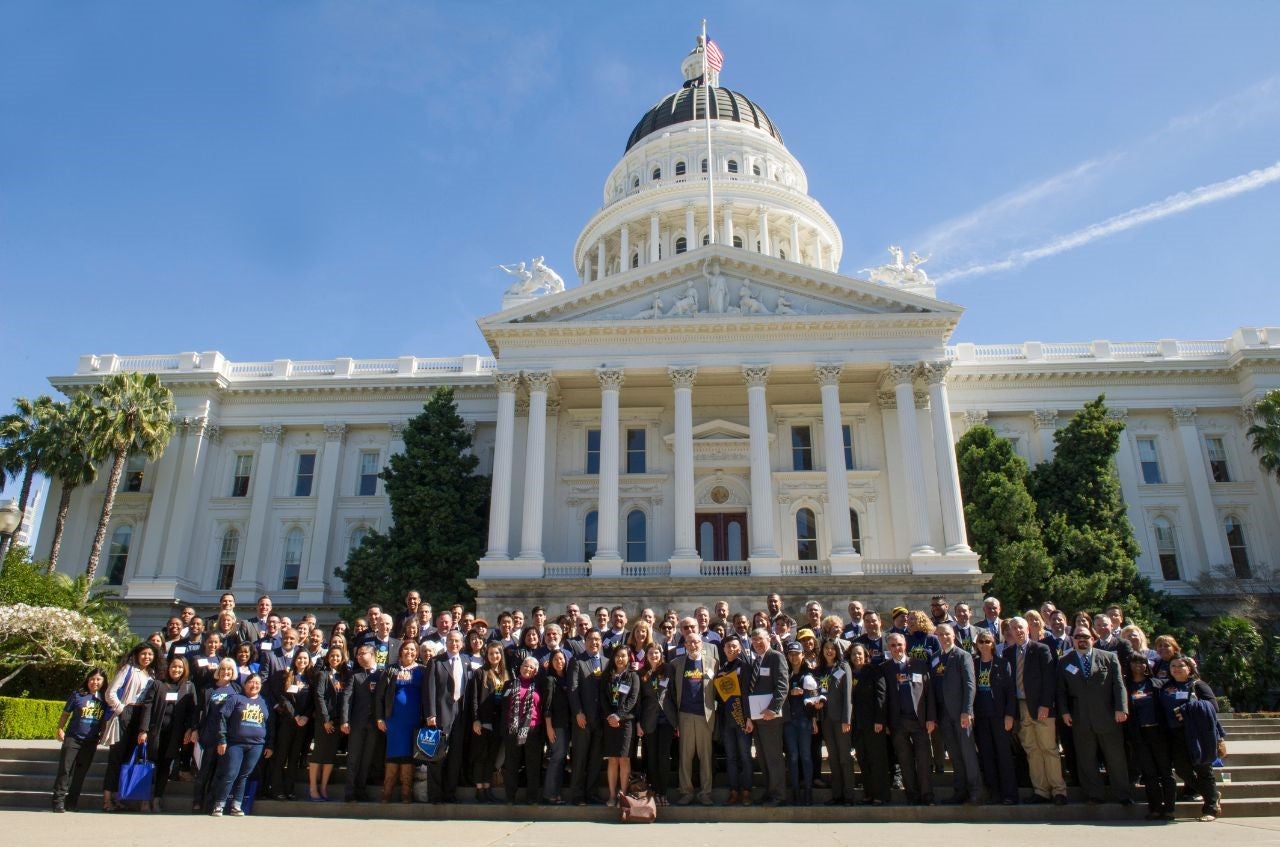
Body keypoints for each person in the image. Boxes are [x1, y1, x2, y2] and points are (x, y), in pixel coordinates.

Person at [1057, 622, 1131, 805]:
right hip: (1080, 717)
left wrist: (1121, 708)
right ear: (1073, 640)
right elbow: (1060, 691)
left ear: (1093, 638)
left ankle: (1123, 794)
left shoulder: (1108, 658)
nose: (1081, 640)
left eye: (1085, 636)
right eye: (1077, 637)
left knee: (1115, 758)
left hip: (1107, 716)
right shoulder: (1065, 662)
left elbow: (1119, 686)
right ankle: (1094, 794)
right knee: (1086, 759)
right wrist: (1064, 712)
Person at [1006, 616, 1067, 804]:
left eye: (1020, 627)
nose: (1017, 631)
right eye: (1014, 628)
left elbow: (1050, 679)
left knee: (1048, 748)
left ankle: (1058, 790)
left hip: (1040, 707)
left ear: (1028, 629)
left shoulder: (1041, 649)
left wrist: (1046, 704)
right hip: (1021, 706)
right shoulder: (1008, 653)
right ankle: (1041, 791)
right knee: (1032, 749)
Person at [1160, 655, 1222, 822]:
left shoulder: (1198, 685)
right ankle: (1212, 794)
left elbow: (1212, 706)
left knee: (1203, 769)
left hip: (1197, 733)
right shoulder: (1166, 686)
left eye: (1181, 666)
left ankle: (1210, 808)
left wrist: (1186, 710)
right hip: (1176, 734)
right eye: (1173, 666)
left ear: (1189, 668)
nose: (1176, 669)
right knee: (1181, 769)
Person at [101, 642, 157, 812]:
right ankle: (107, 799)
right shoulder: (128, 669)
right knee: (116, 757)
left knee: (128, 758)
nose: (147, 657)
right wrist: (120, 709)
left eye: (150, 654)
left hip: (141, 716)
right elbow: (110, 692)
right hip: (126, 711)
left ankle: (120, 796)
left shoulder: (151, 674)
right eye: (144, 654)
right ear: (137, 654)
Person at [932, 623, 983, 804]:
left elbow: (970, 685)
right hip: (944, 715)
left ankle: (975, 791)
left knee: (968, 753)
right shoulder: (936, 658)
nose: (943, 637)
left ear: (953, 636)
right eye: (940, 635)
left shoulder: (963, 655)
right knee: (954, 754)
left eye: (947, 634)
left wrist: (967, 710)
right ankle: (960, 790)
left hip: (961, 713)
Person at [883, 632, 936, 805]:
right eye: (893, 646)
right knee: (905, 761)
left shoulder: (919, 665)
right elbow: (884, 699)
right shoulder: (885, 668)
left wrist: (930, 718)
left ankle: (927, 795)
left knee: (923, 759)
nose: (897, 648)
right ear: (888, 648)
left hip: (919, 720)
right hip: (898, 722)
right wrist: (887, 723)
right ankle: (912, 796)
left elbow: (929, 694)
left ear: (905, 645)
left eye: (899, 645)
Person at [210, 673, 272, 816]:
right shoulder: (236, 699)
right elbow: (222, 719)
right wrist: (222, 740)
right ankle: (219, 804)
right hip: (235, 744)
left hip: (256, 745)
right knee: (231, 773)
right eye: (251, 682)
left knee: (244, 775)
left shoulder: (263, 702)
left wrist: (270, 744)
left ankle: (236, 806)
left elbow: (269, 724)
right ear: (245, 684)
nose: (254, 685)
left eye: (257, 683)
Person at [141, 655, 198, 811]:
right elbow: (147, 707)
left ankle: (157, 798)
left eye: (180, 667)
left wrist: (190, 728)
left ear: (184, 669)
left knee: (165, 767)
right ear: (168, 668)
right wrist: (143, 730)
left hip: (174, 735)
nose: (176, 670)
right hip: (155, 733)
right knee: (150, 765)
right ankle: (145, 798)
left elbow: (193, 711)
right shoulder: (158, 684)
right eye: (174, 666)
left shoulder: (188, 686)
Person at [670, 631, 718, 806]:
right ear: (685, 645)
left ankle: (706, 792)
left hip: (705, 715)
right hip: (685, 715)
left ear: (702, 644)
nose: (693, 645)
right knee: (685, 757)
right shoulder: (676, 664)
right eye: (689, 643)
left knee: (705, 756)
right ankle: (686, 792)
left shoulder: (713, 663)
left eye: (696, 642)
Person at [971, 629, 1018, 805]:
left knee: (1003, 755)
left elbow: (1010, 692)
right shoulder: (973, 664)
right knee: (987, 755)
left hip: (999, 715)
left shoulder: (1002, 663)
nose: (984, 645)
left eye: (988, 641)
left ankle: (1009, 794)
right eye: (981, 642)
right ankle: (994, 792)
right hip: (981, 716)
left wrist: (1009, 715)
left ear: (993, 644)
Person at [424, 630, 472, 803]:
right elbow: (429, 690)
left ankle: (450, 793)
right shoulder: (436, 662)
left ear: (462, 643)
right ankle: (435, 795)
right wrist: (430, 714)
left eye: (457, 641)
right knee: (438, 755)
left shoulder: (466, 661)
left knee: (455, 756)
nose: (454, 643)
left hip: (460, 715)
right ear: (446, 642)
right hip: (441, 714)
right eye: (451, 640)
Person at [1127, 653, 1176, 819]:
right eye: (1135, 662)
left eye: (1142, 662)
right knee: (1149, 772)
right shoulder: (1126, 685)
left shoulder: (1157, 684)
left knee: (1165, 771)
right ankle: (1154, 808)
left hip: (1158, 732)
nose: (1138, 666)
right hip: (1139, 733)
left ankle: (1169, 808)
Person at [51, 668, 107, 813]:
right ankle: (58, 801)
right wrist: (60, 728)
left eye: (98, 679)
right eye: (92, 679)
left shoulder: (105, 699)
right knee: (65, 769)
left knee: (81, 772)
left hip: (90, 741)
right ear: (88, 680)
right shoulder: (78, 695)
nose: (95, 682)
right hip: (73, 738)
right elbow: (65, 713)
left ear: (103, 682)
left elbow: (104, 720)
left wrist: (103, 733)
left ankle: (72, 802)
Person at [377, 640, 426, 803]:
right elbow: (379, 697)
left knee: (408, 756)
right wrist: (380, 717)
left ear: (417, 653)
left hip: (413, 721)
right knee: (392, 754)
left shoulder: (422, 671)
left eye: (413, 650)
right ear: (400, 651)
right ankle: (387, 791)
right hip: (394, 720)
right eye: (406, 649)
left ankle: (406, 792)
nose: (409, 652)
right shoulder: (391, 670)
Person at [746, 627, 788, 806]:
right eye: (753, 640)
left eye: (760, 639)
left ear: (769, 639)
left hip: (771, 718)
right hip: (758, 718)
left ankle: (778, 795)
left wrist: (774, 708)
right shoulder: (757, 661)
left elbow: (782, 685)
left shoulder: (776, 657)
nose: (757, 643)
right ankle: (769, 792)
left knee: (773, 757)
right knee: (763, 757)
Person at [266, 649, 314, 800]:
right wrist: (296, 716)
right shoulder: (287, 676)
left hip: (303, 724)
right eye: (299, 658)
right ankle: (277, 790)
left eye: (305, 659)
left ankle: (289, 789)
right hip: (288, 721)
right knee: (281, 756)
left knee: (294, 757)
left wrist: (305, 716)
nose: (302, 661)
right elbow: (283, 699)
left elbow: (313, 700)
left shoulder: (311, 678)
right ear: (295, 660)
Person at [568, 629, 606, 805]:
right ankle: (577, 794)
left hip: (601, 719)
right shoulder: (577, 661)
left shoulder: (606, 662)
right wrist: (578, 712)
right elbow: (573, 689)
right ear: (585, 641)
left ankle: (591, 793)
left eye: (597, 639)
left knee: (595, 760)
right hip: (583, 719)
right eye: (591, 639)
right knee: (580, 758)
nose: (594, 643)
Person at [341, 643, 382, 802]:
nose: (358, 656)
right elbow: (347, 699)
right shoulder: (354, 675)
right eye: (357, 654)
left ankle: (361, 789)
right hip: (357, 723)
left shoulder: (381, 673)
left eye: (362, 653)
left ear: (372, 655)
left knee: (367, 759)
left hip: (374, 724)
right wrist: (345, 720)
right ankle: (350, 791)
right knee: (354, 758)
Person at [849, 643, 889, 805]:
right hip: (857, 724)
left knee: (877, 759)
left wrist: (880, 719)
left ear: (865, 655)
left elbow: (881, 695)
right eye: (853, 654)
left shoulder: (874, 670)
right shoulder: (848, 673)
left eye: (859, 654)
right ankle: (869, 793)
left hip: (873, 722)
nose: (856, 657)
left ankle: (881, 794)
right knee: (863, 759)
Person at [468, 641, 509, 803]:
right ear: (487, 655)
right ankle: (480, 790)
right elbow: (474, 699)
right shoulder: (480, 673)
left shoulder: (506, 673)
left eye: (497, 653)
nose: (494, 656)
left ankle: (487, 787)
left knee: (491, 757)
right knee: (481, 756)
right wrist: (476, 719)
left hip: (499, 721)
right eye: (491, 653)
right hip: (483, 720)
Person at [637, 643, 677, 805]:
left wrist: (678, 721)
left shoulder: (669, 669)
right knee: (651, 757)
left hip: (667, 719)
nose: (654, 656)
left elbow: (674, 694)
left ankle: (663, 792)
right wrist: (638, 723)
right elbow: (638, 701)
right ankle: (654, 791)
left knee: (663, 757)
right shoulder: (640, 674)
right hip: (649, 720)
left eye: (657, 653)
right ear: (646, 655)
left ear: (661, 655)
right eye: (651, 653)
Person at [816, 638, 855, 805]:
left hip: (841, 720)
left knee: (844, 757)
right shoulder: (820, 670)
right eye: (826, 648)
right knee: (833, 757)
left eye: (832, 648)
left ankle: (849, 795)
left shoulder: (844, 667)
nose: (829, 651)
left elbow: (848, 695)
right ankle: (837, 794)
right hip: (825, 720)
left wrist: (847, 719)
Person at [503, 656, 546, 804]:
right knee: (511, 764)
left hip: (533, 729)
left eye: (531, 667)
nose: (527, 669)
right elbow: (503, 706)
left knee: (532, 765)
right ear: (520, 667)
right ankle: (510, 796)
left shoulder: (540, 685)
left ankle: (532, 797)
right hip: (513, 729)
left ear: (536, 671)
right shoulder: (509, 684)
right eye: (525, 666)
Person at [601, 644, 640, 807]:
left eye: (623, 656)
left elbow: (632, 700)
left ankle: (623, 795)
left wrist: (619, 715)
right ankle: (611, 795)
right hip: (610, 721)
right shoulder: (607, 675)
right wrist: (610, 715)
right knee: (612, 760)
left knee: (624, 759)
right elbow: (602, 698)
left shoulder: (632, 676)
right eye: (617, 656)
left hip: (625, 723)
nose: (620, 659)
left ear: (628, 658)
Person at [716, 637, 752, 806]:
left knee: (745, 756)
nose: (731, 649)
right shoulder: (722, 668)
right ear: (723, 649)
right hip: (727, 719)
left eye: (734, 646)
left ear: (740, 648)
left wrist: (749, 717)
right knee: (731, 757)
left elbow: (748, 691)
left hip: (742, 717)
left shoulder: (745, 666)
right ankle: (733, 791)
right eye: (728, 646)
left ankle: (746, 791)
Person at [310, 642, 348, 801]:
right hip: (323, 721)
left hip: (337, 721)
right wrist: (325, 720)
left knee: (330, 756)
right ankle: (313, 788)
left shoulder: (344, 676)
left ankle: (323, 787)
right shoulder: (323, 674)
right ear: (327, 658)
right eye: (332, 656)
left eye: (337, 656)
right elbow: (318, 697)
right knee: (318, 754)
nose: (334, 658)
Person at [782, 641, 818, 806]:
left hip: (804, 720)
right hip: (789, 721)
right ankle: (796, 792)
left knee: (805, 755)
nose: (794, 657)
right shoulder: (785, 674)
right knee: (793, 757)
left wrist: (813, 719)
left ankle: (808, 792)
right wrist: (790, 693)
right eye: (791, 654)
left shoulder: (808, 675)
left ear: (803, 655)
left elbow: (814, 699)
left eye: (797, 654)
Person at [540, 648, 573, 805]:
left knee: (561, 759)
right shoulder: (550, 680)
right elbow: (546, 707)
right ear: (551, 663)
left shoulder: (566, 679)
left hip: (566, 724)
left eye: (562, 659)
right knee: (557, 757)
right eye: (556, 660)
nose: (559, 662)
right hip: (556, 725)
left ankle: (556, 793)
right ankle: (549, 794)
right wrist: (549, 727)